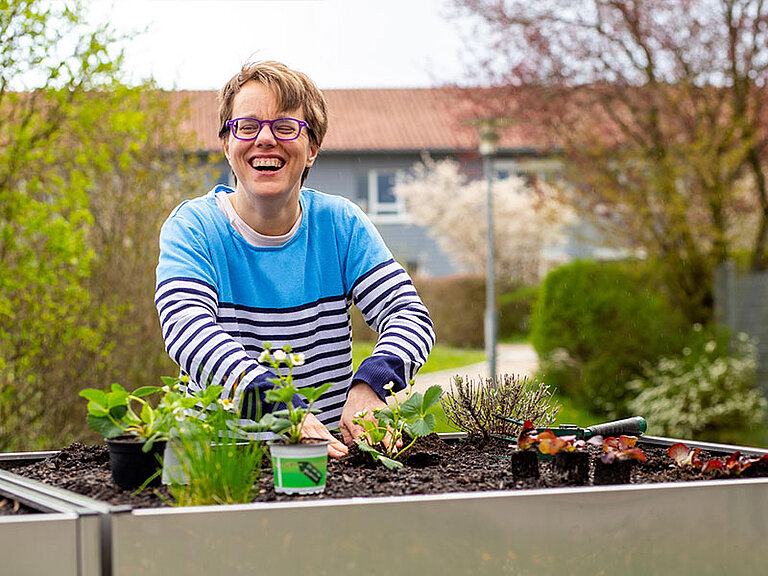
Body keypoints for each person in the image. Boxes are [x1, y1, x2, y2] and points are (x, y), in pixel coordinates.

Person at [154, 60, 435, 457]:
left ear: (312, 149)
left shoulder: (340, 224)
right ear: (227, 145)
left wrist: (371, 384)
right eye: (247, 126)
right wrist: (278, 406)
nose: (265, 139)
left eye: (285, 127)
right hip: (216, 459)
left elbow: (408, 315)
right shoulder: (194, 228)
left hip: (325, 458)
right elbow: (187, 328)